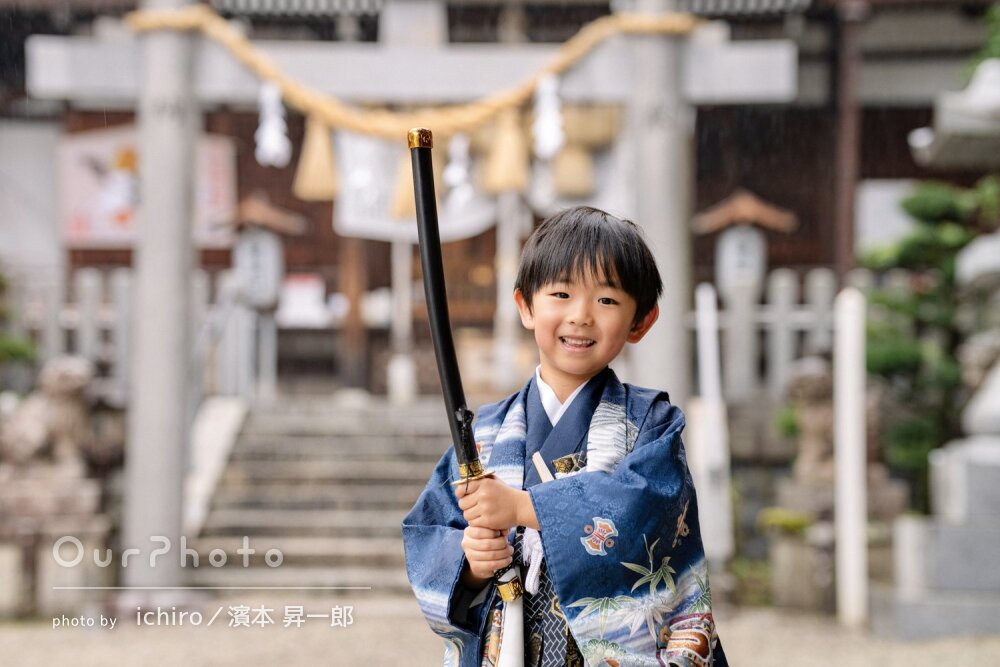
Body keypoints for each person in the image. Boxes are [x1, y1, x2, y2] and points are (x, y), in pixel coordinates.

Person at [403, 206, 728, 667]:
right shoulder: (485, 437)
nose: (580, 316)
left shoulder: (650, 423)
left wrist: (521, 508)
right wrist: (472, 567)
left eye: (607, 301)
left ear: (642, 321)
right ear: (525, 306)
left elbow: (640, 508)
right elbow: (432, 532)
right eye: (560, 293)